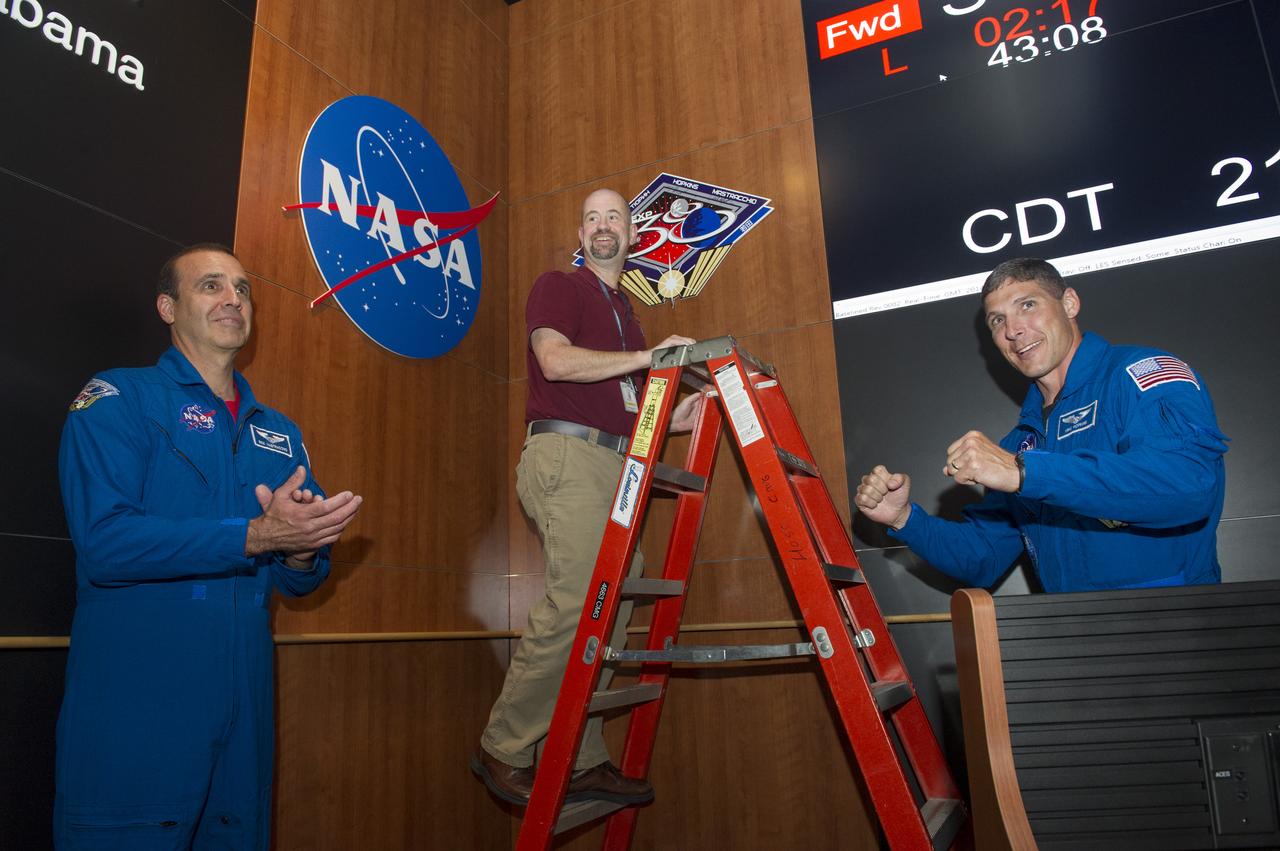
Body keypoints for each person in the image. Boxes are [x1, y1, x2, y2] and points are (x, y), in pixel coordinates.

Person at [54, 244, 363, 849]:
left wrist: (302, 545)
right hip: (140, 699)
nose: (233, 300)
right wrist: (254, 535)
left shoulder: (278, 432)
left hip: (243, 702)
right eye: (212, 286)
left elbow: (299, 580)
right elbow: (105, 543)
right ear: (167, 307)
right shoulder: (119, 399)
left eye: (243, 289)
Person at [472, 189, 703, 806]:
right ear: (582, 232)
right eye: (593, 217)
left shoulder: (627, 311)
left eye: (615, 217)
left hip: (614, 460)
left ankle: (579, 755)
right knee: (582, 597)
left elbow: (623, 401)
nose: (603, 226)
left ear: (633, 236)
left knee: (619, 599)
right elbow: (554, 363)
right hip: (565, 455)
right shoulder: (560, 285)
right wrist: (647, 358)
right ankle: (503, 745)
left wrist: (671, 418)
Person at [855, 257, 1228, 593]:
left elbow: (1188, 486)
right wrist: (904, 519)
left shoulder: (1137, 375)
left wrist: (1025, 473)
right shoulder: (1020, 444)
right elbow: (982, 559)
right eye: (997, 320)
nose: (1013, 330)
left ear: (1069, 303)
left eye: (1027, 306)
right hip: (1076, 640)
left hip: (1175, 634)